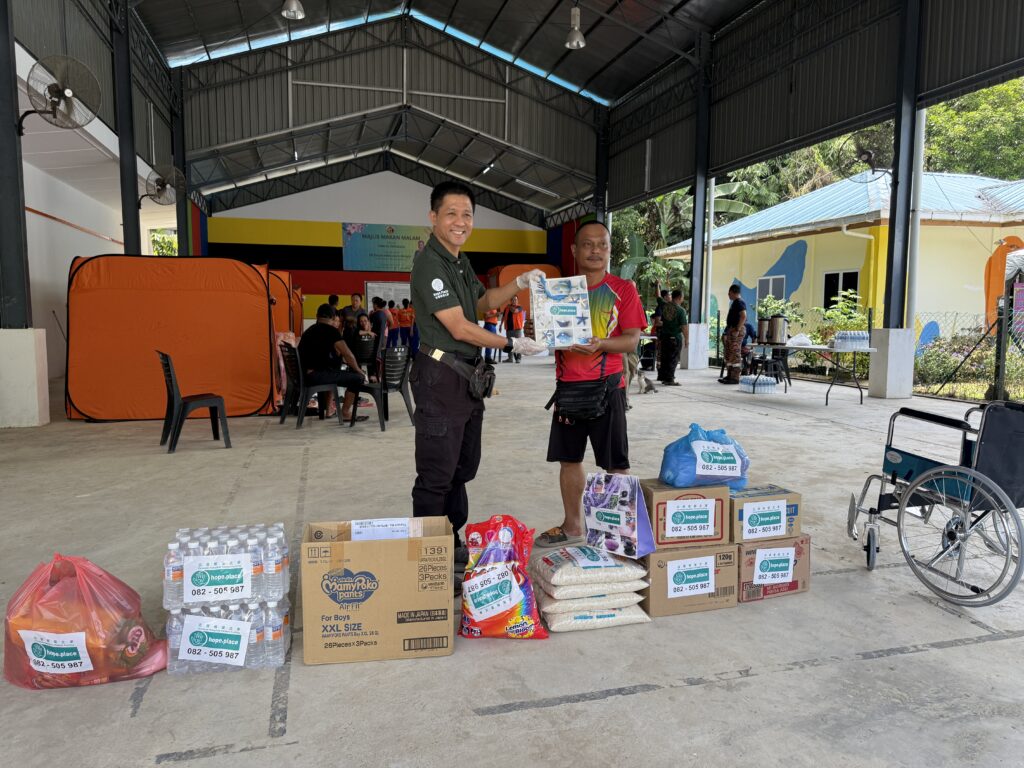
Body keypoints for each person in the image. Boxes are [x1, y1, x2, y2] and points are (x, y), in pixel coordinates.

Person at [409, 180, 546, 567]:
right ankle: (428, 560)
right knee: (437, 472)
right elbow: (458, 327)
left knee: (462, 466)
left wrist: (518, 283)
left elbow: (482, 302)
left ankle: (450, 539)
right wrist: (511, 344)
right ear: (433, 217)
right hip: (440, 375)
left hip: (466, 377)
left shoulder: (458, 261)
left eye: (467, 214)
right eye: (451, 213)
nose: (460, 221)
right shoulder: (430, 264)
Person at [535, 221, 647, 548]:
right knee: (569, 459)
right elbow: (548, 336)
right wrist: (536, 330)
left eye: (602, 244)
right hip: (567, 388)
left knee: (615, 464)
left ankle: (618, 536)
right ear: (574, 250)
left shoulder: (623, 289)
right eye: (588, 244)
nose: (595, 250)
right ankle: (572, 526)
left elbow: (631, 340)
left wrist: (600, 344)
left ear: (609, 250)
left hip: (607, 388)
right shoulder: (558, 291)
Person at [297, 304, 368, 422]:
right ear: (333, 317)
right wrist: (359, 370)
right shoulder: (331, 331)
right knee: (357, 378)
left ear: (317, 316)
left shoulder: (308, 331)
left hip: (305, 376)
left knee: (333, 371)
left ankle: (331, 409)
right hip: (316, 376)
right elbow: (348, 354)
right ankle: (345, 413)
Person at [657, 290, 685, 386]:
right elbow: (684, 327)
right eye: (682, 297)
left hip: (665, 337)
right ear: (679, 297)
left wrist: (657, 285)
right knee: (673, 359)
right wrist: (687, 339)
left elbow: (658, 297)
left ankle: (665, 377)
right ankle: (670, 379)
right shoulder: (681, 310)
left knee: (665, 358)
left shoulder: (664, 305)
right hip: (675, 337)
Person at [721, 284, 747, 385]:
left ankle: (735, 377)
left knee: (735, 353)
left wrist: (737, 329)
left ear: (733, 292)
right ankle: (729, 375)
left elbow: (743, 316)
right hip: (731, 329)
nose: (728, 295)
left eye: (729, 293)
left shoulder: (740, 302)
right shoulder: (735, 303)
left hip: (736, 330)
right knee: (729, 353)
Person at [500, 295, 526, 363]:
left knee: (518, 344)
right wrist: (500, 325)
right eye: (513, 300)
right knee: (509, 344)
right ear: (510, 301)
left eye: (515, 300)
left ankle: (518, 358)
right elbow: (503, 317)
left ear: (517, 300)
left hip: (517, 329)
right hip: (509, 329)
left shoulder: (519, 307)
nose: (514, 301)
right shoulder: (506, 308)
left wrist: (509, 306)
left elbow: (514, 311)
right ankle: (510, 358)